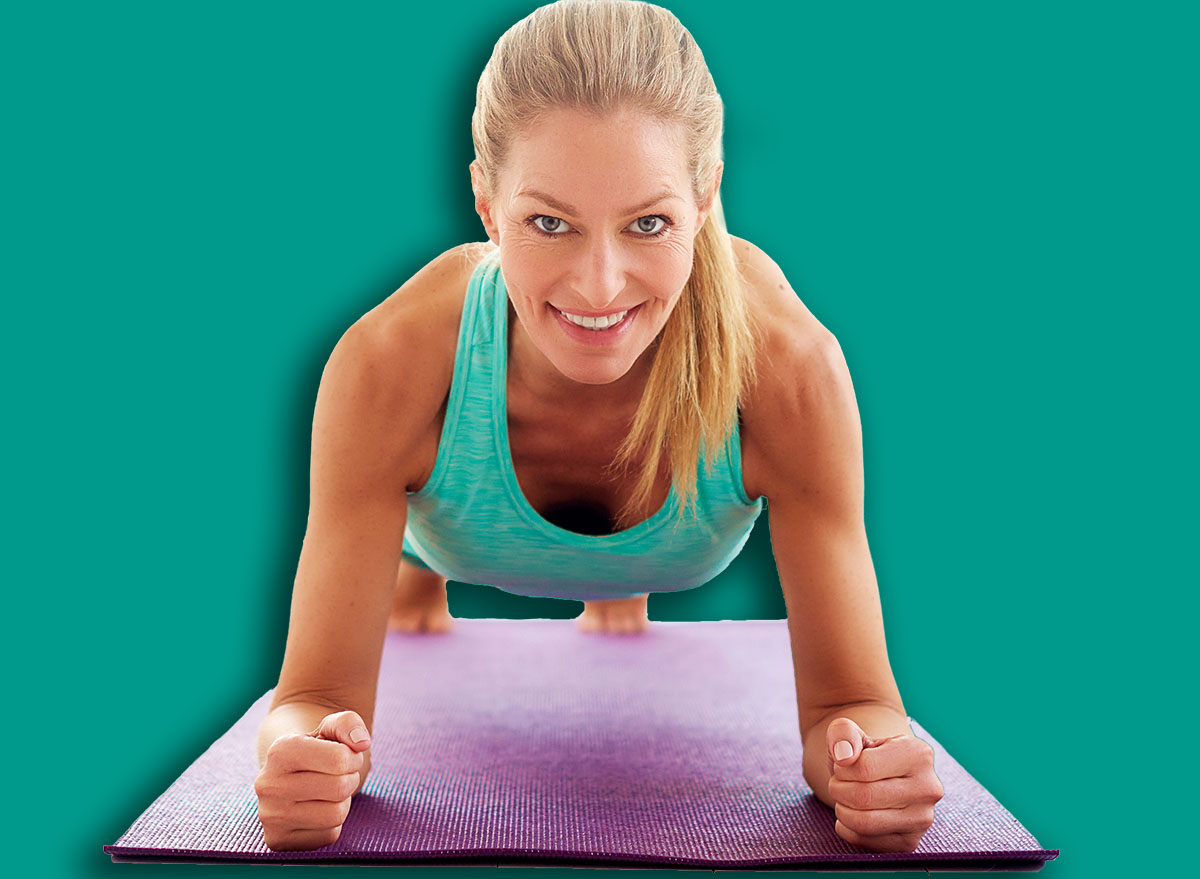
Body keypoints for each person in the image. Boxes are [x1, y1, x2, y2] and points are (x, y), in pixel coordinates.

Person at [253, 0, 943, 856]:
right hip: (449, 538)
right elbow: (310, 696)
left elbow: (855, 703)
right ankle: (423, 575)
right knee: (409, 583)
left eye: (648, 223)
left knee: (614, 574)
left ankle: (618, 579)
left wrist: (866, 762)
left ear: (704, 199)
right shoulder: (388, 366)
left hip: (675, 538)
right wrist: (301, 755)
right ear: (487, 207)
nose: (599, 285)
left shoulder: (791, 370)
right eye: (550, 223)